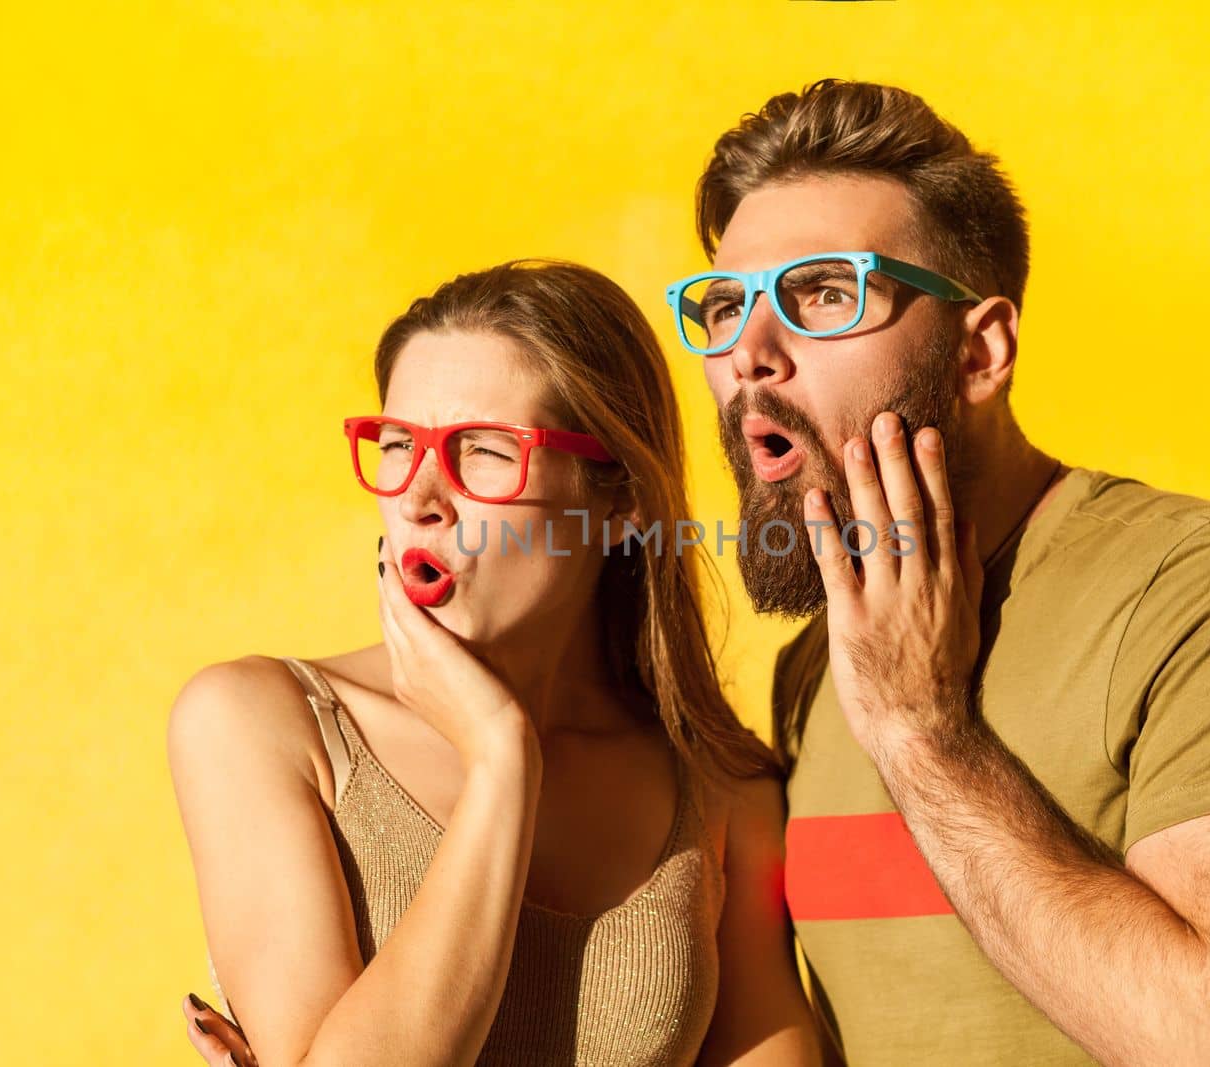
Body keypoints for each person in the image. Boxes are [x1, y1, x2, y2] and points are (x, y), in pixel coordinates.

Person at [677, 79, 1210, 1065]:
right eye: (721, 305)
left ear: (980, 351)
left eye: (823, 293)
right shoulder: (819, 661)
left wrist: (924, 733)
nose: (749, 353)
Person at [168, 260, 822, 1066]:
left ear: (621, 502)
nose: (419, 497)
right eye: (400, 443)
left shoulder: (721, 788)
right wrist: (501, 759)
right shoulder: (260, 723)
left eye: (482, 451)